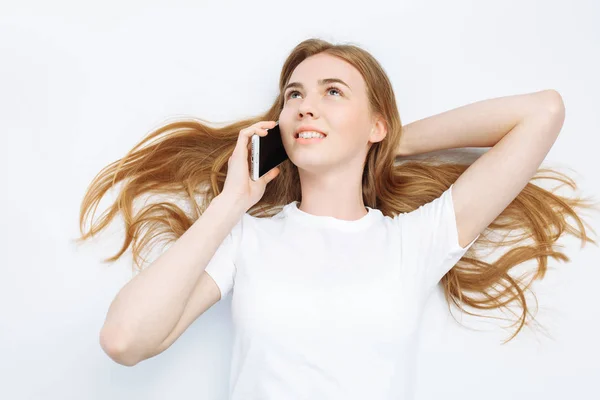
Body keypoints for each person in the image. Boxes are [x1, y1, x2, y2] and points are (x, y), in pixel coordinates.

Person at [76, 38, 598, 399]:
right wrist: (232, 200)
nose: (306, 106)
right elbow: (124, 340)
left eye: (333, 92)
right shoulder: (246, 238)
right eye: (295, 95)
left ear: (375, 122)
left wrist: (386, 141)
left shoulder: (414, 241)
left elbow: (543, 112)